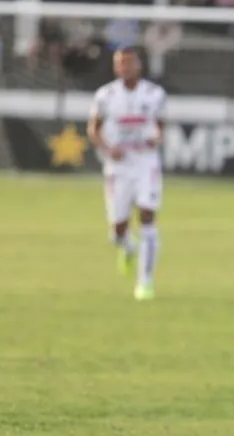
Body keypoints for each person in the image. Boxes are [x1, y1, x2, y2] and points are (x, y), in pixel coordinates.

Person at [86, 47, 166, 301]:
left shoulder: (154, 94)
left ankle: (145, 282)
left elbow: (161, 125)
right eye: (120, 64)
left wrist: (157, 138)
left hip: (146, 163)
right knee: (117, 230)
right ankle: (128, 247)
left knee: (147, 214)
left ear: (139, 65)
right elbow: (94, 129)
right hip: (118, 167)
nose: (124, 68)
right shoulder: (105, 95)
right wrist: (109, 149)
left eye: (129, 63)